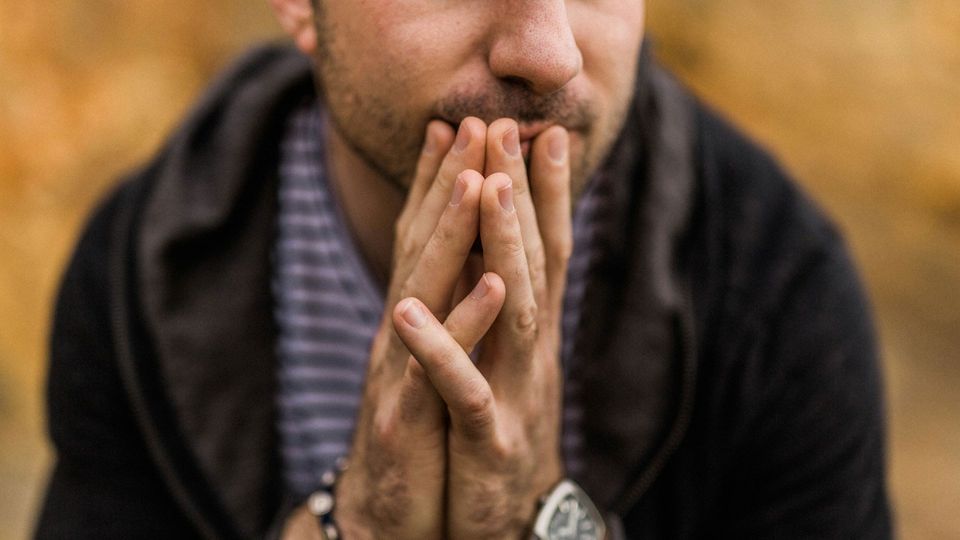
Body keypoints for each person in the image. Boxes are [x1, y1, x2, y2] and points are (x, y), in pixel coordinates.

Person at [36, 0, 892, 538]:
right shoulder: (149, 265)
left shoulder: (771, 283)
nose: (549, 52)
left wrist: (539, 519)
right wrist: (356, 525)